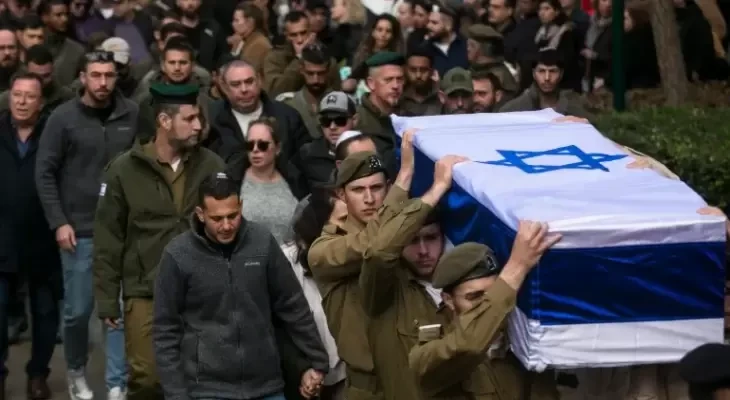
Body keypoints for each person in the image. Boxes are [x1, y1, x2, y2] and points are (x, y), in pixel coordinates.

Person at [93, 83, 225, 400]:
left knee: (201, 374)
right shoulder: (124, 170)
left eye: (199, 117)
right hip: (145, 291)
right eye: (189, 118)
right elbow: (108, 238)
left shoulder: (212, 166)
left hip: (200, 290)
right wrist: (108, 299)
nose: (198, 125)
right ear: (164, 121)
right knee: (148, 378)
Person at [153, 172, 330, 400]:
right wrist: (176, 395)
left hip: (267, 385)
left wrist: (316, 360)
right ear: (200, 214)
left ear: (241, 206)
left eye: (233, 215)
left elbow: (292, 305)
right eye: (217, 219)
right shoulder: (178, 255)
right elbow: (165, 330)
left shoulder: (262, 243)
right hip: (206, 390)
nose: (227, 225)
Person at [35, 50, 138, 400]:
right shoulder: (62, 118)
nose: (103, 82)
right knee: (78, 312)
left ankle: (116, 382)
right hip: (78, 229)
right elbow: (45, 172)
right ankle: (76, 369)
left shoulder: (131, 113)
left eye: (109, 75)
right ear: (82, 77)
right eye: (96, 75)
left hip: (122, 229)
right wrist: (58, 222)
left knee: (117, 310)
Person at [307, 143, 443, 400]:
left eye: (377, 188)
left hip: (415, 376)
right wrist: (408, 182)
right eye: (358, 190)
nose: (369, 199)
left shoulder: (403, 235)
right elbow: (374, 245)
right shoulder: (323, 250)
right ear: (341, 194)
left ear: (386, 188)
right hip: (369, 387)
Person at [360, 131, 465, 400]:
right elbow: (378, 253)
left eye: (430, 239)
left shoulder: (466, 285)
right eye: (411, 241)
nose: (423, 251)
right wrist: (436, 189)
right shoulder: (385, 290)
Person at [409, 227, 563, 399]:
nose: (487, 304)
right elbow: (468, 345)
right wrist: (517, 267)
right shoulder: (427, 355)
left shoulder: (523, 341)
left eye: (493, 293)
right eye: (475, 297)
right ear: (448, 300)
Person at [0, 72, 61, 400]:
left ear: (41, 102)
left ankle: (38, 374)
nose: (22, 102)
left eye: (30, 96)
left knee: (45, 313)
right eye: (17, 95)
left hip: (43, 238)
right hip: (2, 236)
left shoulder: (54, 133)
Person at [280, 190, 347, 400]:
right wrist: (302, 369)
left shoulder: (356, 254)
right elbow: (279, 329)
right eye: (343, 219)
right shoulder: (284, 263)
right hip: (301, 377)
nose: (350, 227)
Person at [226, 117, 308, 244]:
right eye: (250, 145)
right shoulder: (232, 180)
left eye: (262, 145)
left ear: (278, 148)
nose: (255, 150)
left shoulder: (296, 180)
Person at [299, 91, 359, 188]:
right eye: (326, 121)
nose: (332, 127)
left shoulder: (370, 149)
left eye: (340, 120)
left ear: (354, 120)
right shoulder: (308, 154)